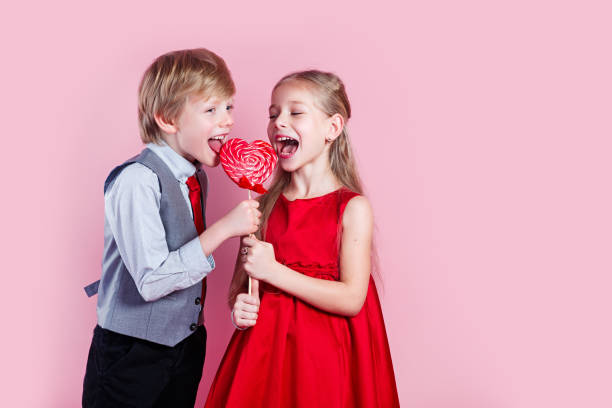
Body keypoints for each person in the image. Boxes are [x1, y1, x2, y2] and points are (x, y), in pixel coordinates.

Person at [204, 70, 399, 407]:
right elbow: (245, 287)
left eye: (295, 112)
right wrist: (241, 307)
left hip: (326, 363)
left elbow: (353, 298)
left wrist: (275, 271)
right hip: (265, 362)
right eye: (273, 113)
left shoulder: (352, 208)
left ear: (332, 128)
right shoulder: (261, 207)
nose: (279, 121)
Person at [82, 48, 261, 408]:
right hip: (131, 353)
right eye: (210, 110)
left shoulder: (196, 176)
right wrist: (225, 227)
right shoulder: (137, 180)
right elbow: (152, 281)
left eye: (229, 107)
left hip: (186, 345)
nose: (226, 121)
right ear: (167, 118)